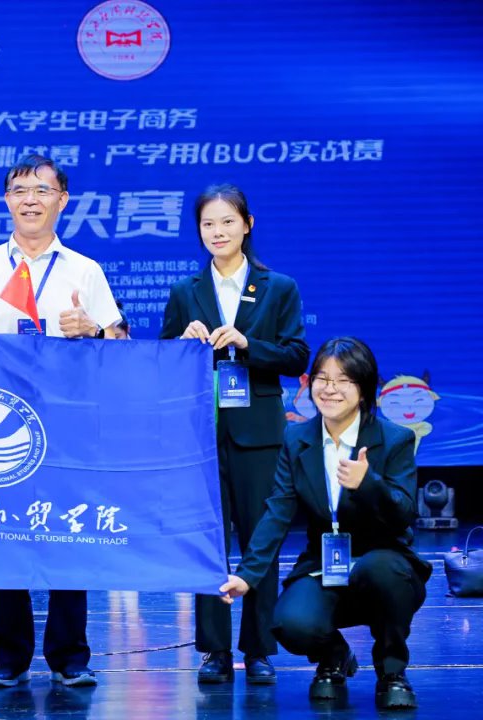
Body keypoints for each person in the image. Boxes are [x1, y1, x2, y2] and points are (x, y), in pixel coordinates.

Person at [0, 154, 121, 688]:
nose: (30, 199)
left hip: (67, 420)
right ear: (6, 200)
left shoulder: (84, 270)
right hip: (0, 423)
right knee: (3, 532)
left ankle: (70, 655)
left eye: (42, 190)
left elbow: (119, 347)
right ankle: (8, 658)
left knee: (70, 530)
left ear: (62, 201)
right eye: (20, 190)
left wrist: (92, 330)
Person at [221, 337, 430, 710]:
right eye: (322, 378)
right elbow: (278, 510)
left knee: (380, 570)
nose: (330, 389)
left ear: (364, 389)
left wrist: (368, 484)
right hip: (325, 564)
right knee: (289, 623)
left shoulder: (394, 439)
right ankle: (334, 657)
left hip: (386, 564)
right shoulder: (297, 438)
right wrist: (247, 575)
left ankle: (392, 672)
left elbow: (404, 513)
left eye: (344, 380)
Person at [160, 184, 309, 685]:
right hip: (202, 434)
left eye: (227, 222)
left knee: (259, 538)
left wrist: (247, 344)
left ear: (247, 224)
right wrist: (182, 344)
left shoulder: (278, 287)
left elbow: (296, 355)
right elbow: (164, 361)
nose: (217, 232)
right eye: (208, 224)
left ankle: (259, 648)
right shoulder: (185, 291)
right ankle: (215, 651)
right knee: (208, 542)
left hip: (259, 434)